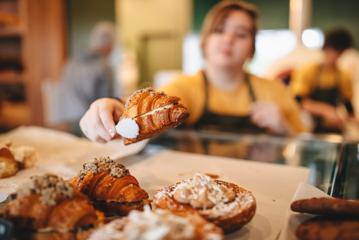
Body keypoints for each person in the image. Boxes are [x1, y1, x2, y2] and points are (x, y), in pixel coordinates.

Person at [79, 1, 305, 143]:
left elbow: (307, 145)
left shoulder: (274, 91)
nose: (228, 39)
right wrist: (116, 107)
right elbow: (155, 104)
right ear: (205, 41)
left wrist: (283, 127)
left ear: (252, 47)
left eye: (241, 34)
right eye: (219, 31)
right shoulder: (187, 87)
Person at [57, 21, 117, 134]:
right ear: (110, 46)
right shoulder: (104, 67)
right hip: (88, 124)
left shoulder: (71, 61)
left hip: (64, 122)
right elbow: (106, 104)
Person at [291, 28, 355, 133]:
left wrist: (351, 120)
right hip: (310, 128)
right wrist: (325, 110)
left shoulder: (343, 75)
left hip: (334, 129)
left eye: (340, 53)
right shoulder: (308, 71)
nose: (335, 56)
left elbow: (348, 105)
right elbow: (298, 101)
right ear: (325, 48)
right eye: (333, 51)